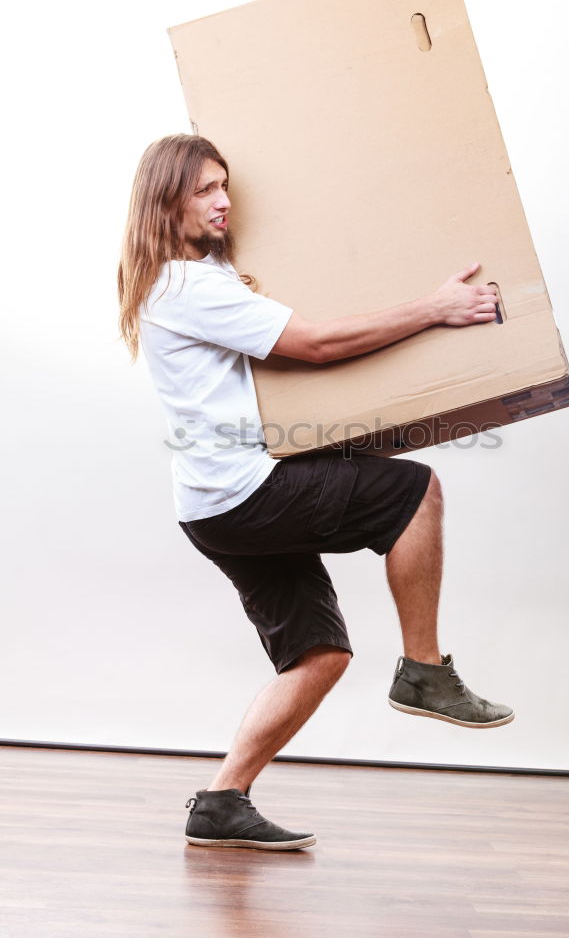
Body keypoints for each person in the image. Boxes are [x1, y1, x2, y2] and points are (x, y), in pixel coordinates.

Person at [117, 133, 514, 852]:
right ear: (165, 198)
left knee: (318, 654)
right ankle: (424, 670)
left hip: (212, 505)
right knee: (415, 491)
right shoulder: (191, 285)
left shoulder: (183, 278)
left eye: (224, 185)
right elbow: (319, 345)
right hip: (248, 492)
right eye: (205, 188)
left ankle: (221, 801)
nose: (223, 200)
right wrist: (436, 308)